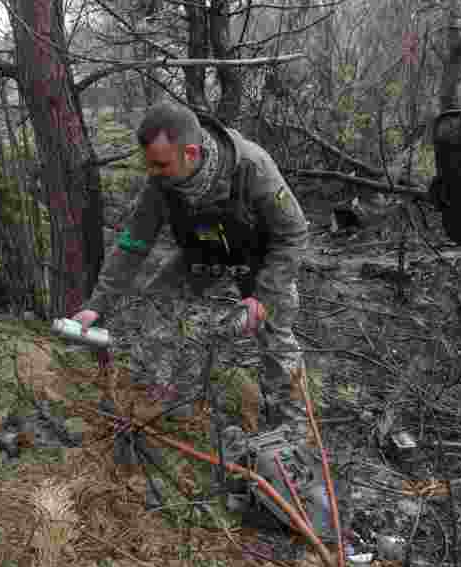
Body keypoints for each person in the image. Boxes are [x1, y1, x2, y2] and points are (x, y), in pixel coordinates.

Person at [71, 102, 311, 441]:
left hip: (258, 256)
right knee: (156, 305)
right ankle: (164, 397)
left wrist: (263, 297)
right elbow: (133, 243)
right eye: (149, 164)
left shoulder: (252, 168)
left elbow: (294, 234)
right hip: (202, 252)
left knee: (274, 331)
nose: (152, 172)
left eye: (161, 164)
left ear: (192, 152)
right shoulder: (161, 181)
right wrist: (97, 304)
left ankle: (292, 430)